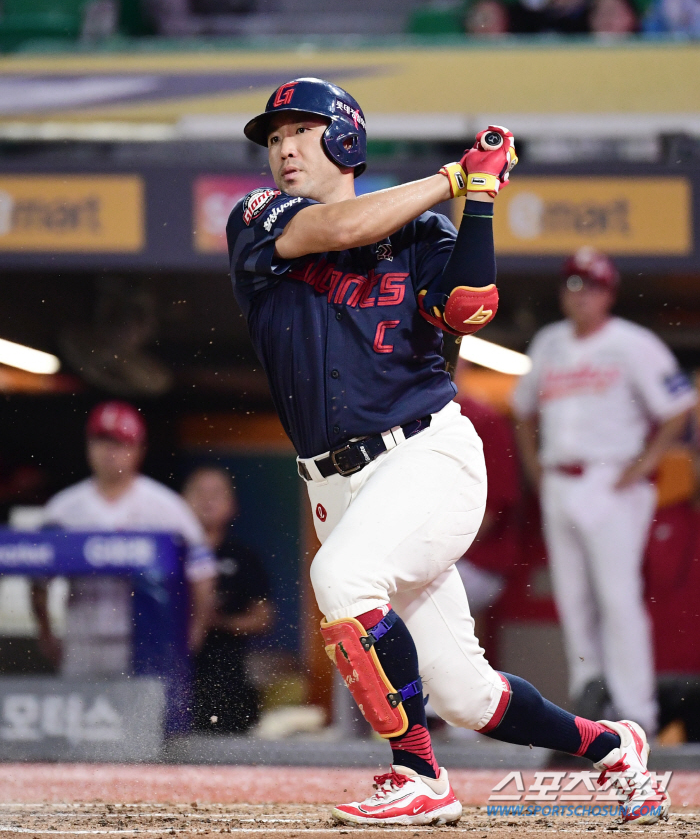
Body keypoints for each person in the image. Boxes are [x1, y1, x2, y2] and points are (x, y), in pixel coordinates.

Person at [225, 77, 668, 826]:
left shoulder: (424, 232)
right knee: (465, 693)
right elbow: (336, 231)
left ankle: (418, 773)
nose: (284, 149)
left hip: (425, 458)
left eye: (300, 131)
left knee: (341, 575)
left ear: (344, 138)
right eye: (273, 139)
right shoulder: (259, 217)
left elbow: (470, 306)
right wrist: (451, 179)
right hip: (336, 487)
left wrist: (481, 201)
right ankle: (611, 746)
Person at [512, 248, 696, 736]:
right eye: (572, 285)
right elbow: (523, 409)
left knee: (618, 598)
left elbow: (679, 406)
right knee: (574, 600)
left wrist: (643, 465)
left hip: (610, 481)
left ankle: (639, 715)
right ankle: (592, 709)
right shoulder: (549, 342)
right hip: (559, 479)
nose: (580, 295)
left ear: (608, 293)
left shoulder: (633, 343)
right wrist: (535, 471)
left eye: (590, 286)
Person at [31, 401, 217, 677]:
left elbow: (202, 576)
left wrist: (195, 631)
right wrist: (46, 633)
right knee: (83, 717)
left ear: (138, 449)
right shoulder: (63, 509)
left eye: (119, 443)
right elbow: (38, 579)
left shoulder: (167, 507)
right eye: (101, 441)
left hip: (147, 643)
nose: (109, 452)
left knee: (142, 719)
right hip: (83, 640)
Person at [182, 465, 273, 733]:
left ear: (232, 505)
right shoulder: (168, 553)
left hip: (226, 675)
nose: (207, 500)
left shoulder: (243, 557)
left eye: (216, 493)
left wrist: (216, 622)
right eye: (199, 492)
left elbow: (264, 618)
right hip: (176, 671)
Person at [455, 393, 520, 615]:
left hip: (477, 561)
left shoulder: (482, 419)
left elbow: (492, 510)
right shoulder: (406, 420)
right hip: (435, 556)